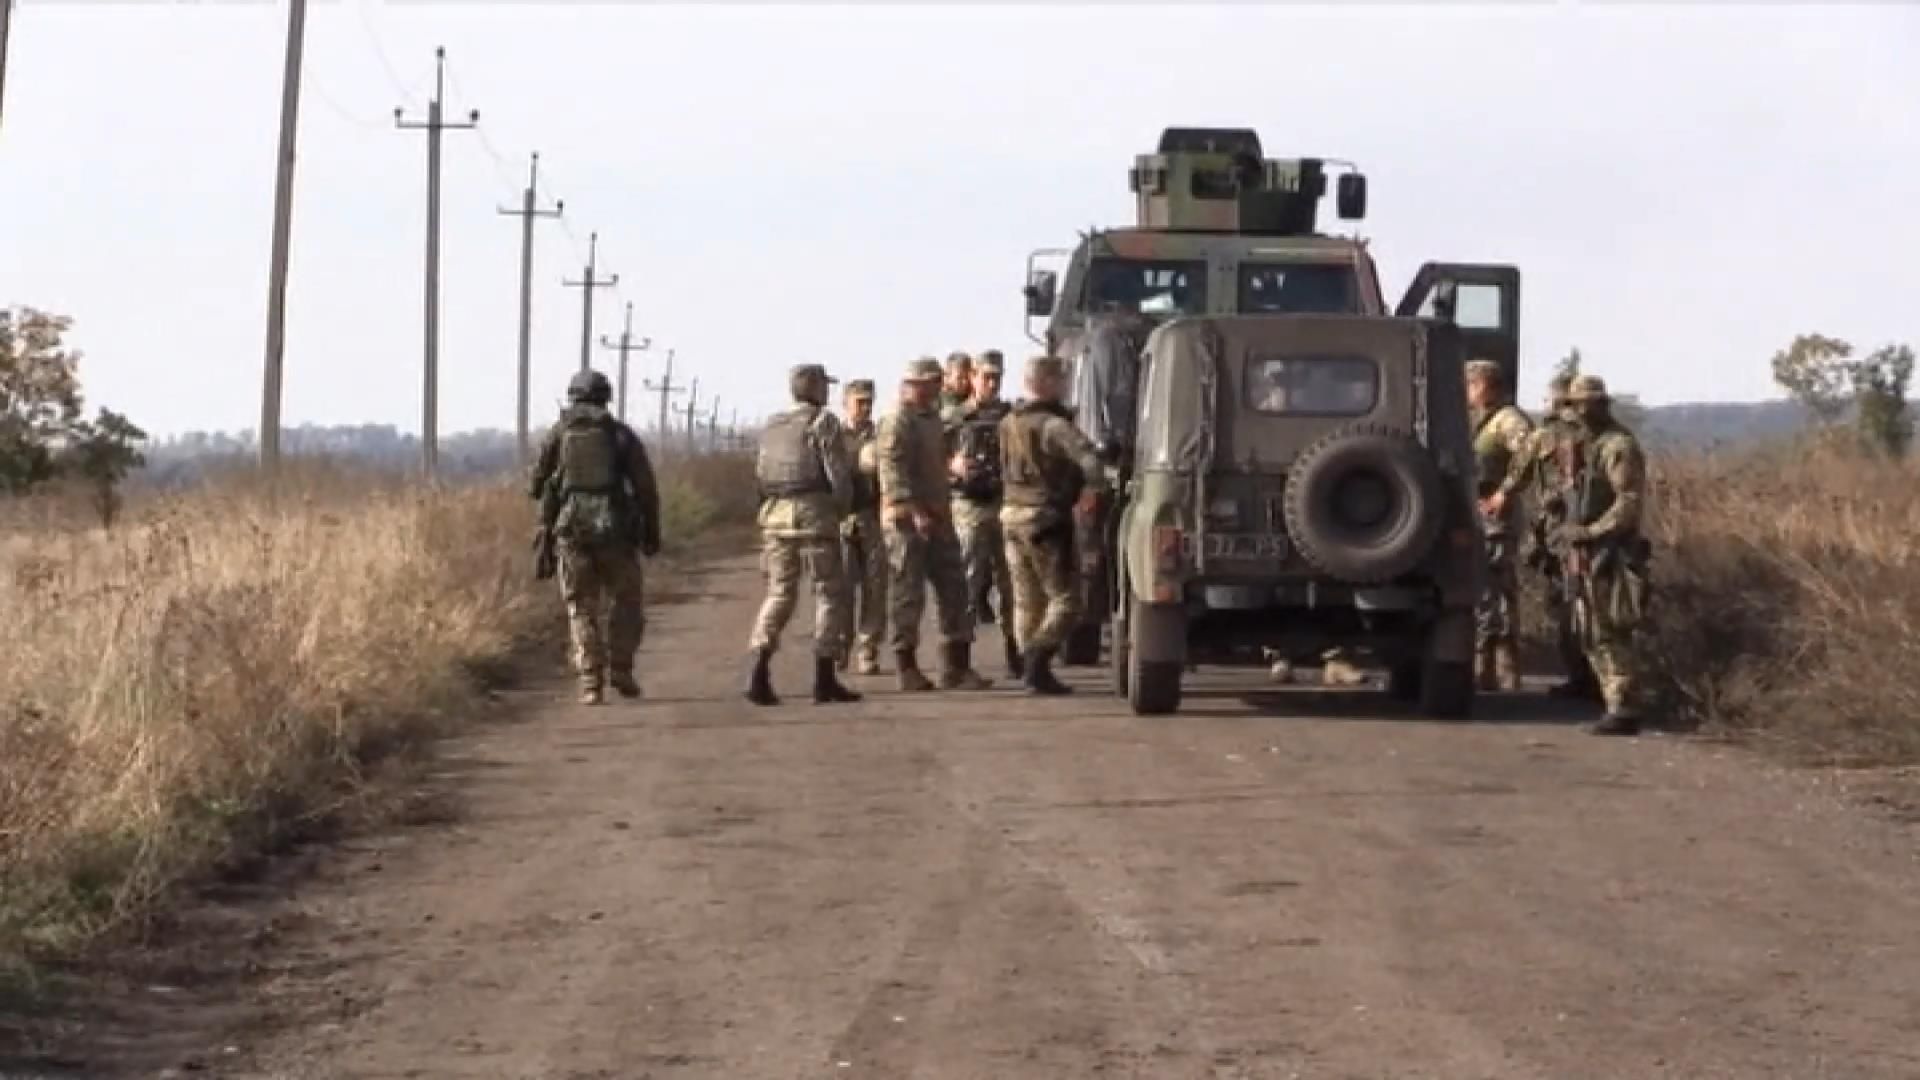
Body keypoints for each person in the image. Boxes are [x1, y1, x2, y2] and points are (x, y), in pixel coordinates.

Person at [529, 368, 661, 705]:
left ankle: (591, 681)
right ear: (606, 397)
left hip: (571, 533)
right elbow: (646, 488)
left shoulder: (557, 435)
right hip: (616, 531)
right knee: (626, 602)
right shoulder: (620, 436)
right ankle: (621, 669)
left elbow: (535, 485)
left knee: (580, 607)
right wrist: (651, 531)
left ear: (572, 397)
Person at [744, 364, 862, 706]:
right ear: (815, 389)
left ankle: (759, 666)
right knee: (829, 593)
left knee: (779, 593)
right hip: (814, 517)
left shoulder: (772, 425)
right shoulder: (823, 422)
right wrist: (842, 509)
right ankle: (824, 677)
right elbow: (837, 475)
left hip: (776, 518)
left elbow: (760, 474)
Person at [878, 357, 992, 692]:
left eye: (937, 380)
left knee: (955, 589)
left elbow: (934, 462)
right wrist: (914, 512)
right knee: (907, 594)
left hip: (939, 516)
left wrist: (951, 469)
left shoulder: (931, 419)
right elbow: (892, 473)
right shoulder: (897, 420)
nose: (937, 386)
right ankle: (906, 666)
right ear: (913, 384)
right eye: (930, 381)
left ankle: (956, 665)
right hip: (907, 522)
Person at [999, 355, 1109, 694]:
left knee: (1025, 598)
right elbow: (1090, 461)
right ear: (1046, 383)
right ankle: (1038, 658)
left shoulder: (1009, 421)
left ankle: (1028, 665)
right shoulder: (1053, 426)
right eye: (1061, 379)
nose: (1065, 385)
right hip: (1044, 519)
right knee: (1067, 600)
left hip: (1011, 516)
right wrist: (1095, 488)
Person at [1555, 375, 1654, 736]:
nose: (1574, 412)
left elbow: (1628, 502)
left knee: (1608, 628)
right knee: (1589, 630)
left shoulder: (1617, 446)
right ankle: (1614, 700)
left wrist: (1591, 531)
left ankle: (1624, 706)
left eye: (1579, 405)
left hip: (1610, 550)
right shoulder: (1586, 445)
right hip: (1586, 549)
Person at [1524, 374, 1600, 700]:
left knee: (1569, 607)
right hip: (1594, 535)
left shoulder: (1545, 436)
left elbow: (1516, 476)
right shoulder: (1603, 435)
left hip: (1563, 536)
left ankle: (1583, 678)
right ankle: (1598, 681)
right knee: (1591, 609)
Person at [945, 351, 1020, 677]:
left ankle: (1017, 654)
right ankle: (958, 660)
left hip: (1004, 503)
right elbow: (927, 457)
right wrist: (951, 465)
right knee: (968, 581)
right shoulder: (954, 417)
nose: (991, 383)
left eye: (997, 378)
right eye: (985, 377)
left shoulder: (1011, 417)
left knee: (1012, 581)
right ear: (972, 377)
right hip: (968, 507)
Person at [1467, 358, 1534, 692]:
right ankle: (1484, 667)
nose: (1467, 392)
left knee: (1498, 589)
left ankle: (1505, 669)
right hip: (1476, 514)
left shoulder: (1507, 420)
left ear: (1485, 385)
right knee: (1482, 591)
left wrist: (1505, 492)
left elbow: (1529, 454)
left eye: (1471, 385)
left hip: (1496, 519)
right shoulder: (1480, 421)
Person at [837, 378, 888, 676]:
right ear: (846, 404)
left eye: (869, 402)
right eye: (859, 402)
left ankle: (868, 648)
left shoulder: (880, 436)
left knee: (875, 588)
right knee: (841, 589)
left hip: (873, 517)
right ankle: (841, 645)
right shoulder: (834, 436)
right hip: (843, 520)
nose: (865, 408)